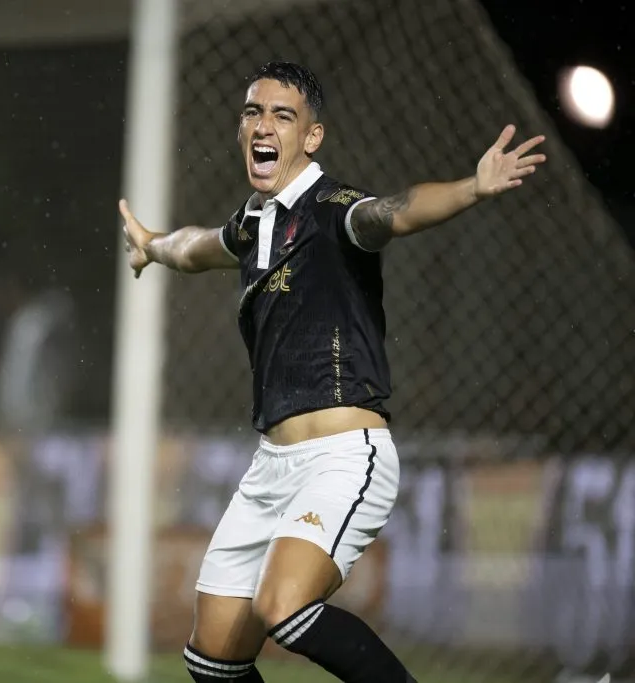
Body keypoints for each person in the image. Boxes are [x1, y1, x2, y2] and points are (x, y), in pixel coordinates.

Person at [119, 61, 546, 683]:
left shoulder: (332, 209)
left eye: (282, 115)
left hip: (343, 458)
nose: (264, 126)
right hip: (271, 467)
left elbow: (395, 212)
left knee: (284, 608)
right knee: (211, 659)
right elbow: (194, 248)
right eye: (253, 112)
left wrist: (471, 189)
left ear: (311, 136)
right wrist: (152, 244)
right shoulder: (253, 223)